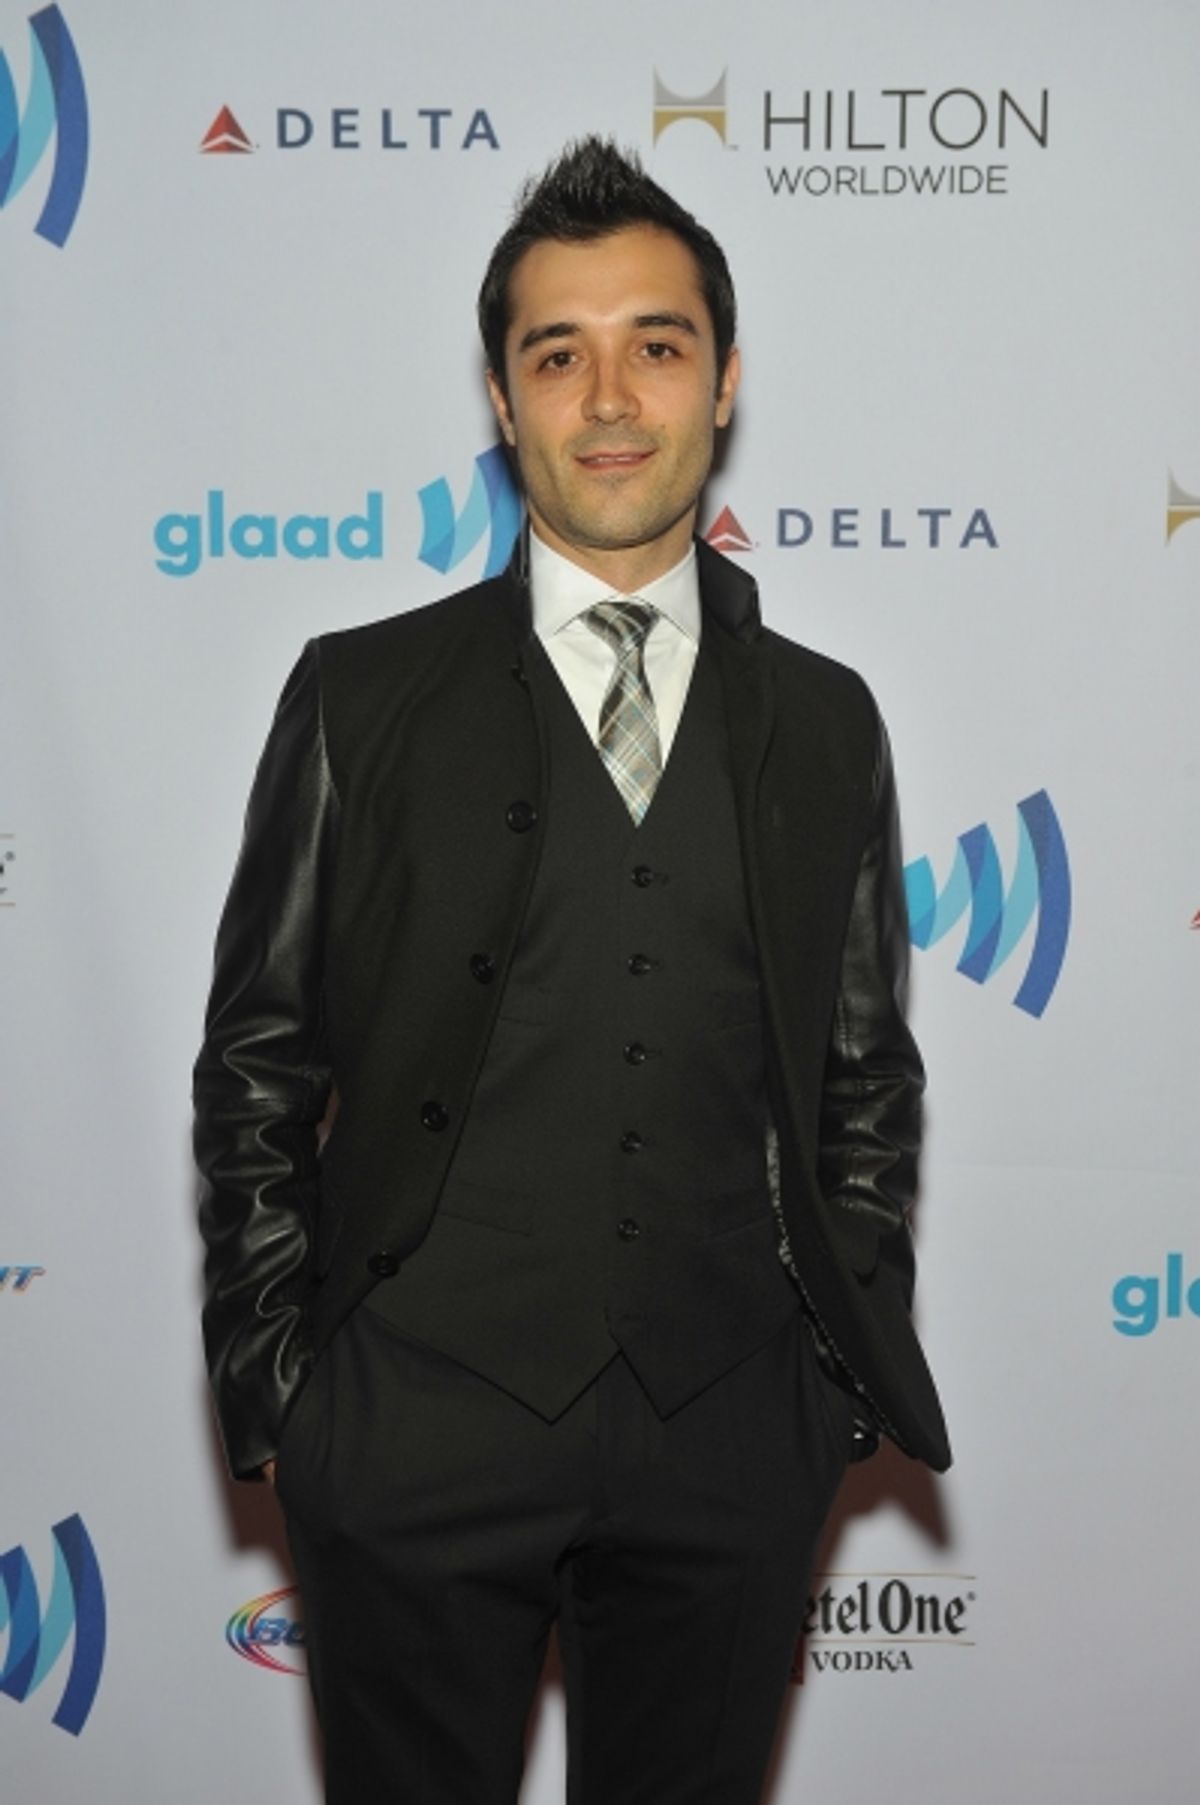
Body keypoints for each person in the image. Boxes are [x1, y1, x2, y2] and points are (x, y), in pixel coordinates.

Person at [194, 136, 950, 1805]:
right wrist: (287, 1397)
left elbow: (864, 1076)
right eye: (558, 355)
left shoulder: (828, 719)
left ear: (724, 380)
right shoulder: (359, 698)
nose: (610, 398)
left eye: (656, 345)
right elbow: (256, 1062)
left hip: (728, 1434)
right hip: (411, 1430)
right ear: (504, 398)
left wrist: (831, 1380)